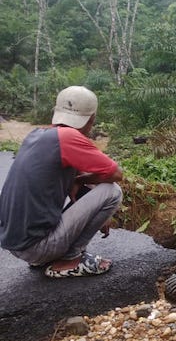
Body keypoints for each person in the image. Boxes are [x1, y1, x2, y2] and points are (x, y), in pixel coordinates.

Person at [0, 86, 123, 278]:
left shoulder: (37, 135)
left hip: (19, 245)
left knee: (93, 184)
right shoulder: (69, 138)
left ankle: (51, 256)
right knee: (112, 191)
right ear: (91, 118)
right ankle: (70, 259)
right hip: (38, 247)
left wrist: (80, 181)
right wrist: (84, 181)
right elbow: (115, 173)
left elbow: (79, 175)